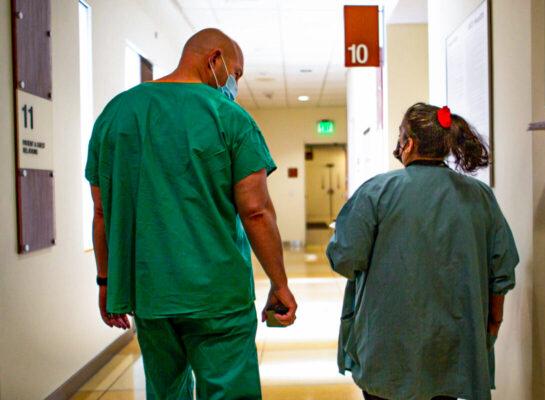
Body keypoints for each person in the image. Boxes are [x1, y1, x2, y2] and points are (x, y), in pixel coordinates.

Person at [85, 28, 297, 399]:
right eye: (236, 73)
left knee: (167, 392)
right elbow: (257, 211)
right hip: (219, 298)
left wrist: (105, 282)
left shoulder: (115, 115)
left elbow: (102, 212)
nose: (235, 85)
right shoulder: (230, 118)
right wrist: (280, 285)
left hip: (151, 295)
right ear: (214, 59)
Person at [327, 103, 519, 400]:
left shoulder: (377, 192)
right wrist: (491, 326)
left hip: (388, 351)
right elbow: (502, 272)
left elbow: (345, 259)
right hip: (452, 351)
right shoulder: (480, 196)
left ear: (409, 143)